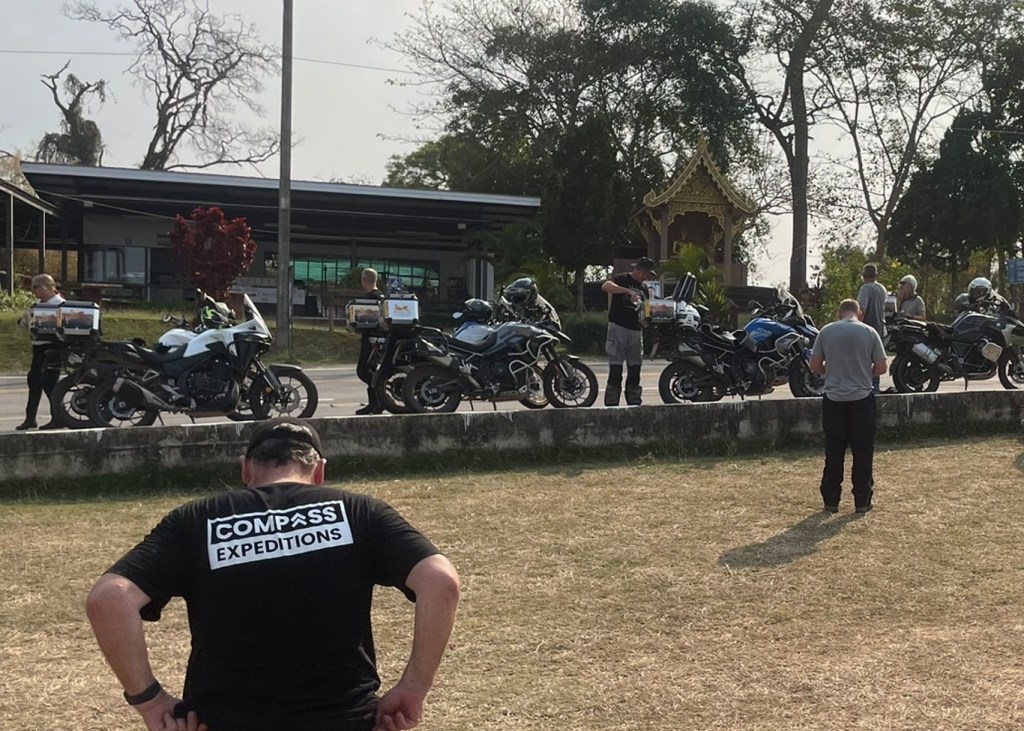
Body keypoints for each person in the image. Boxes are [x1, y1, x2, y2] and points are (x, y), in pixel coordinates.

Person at [86, 417, 461, 731]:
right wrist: (414, 687)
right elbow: (440, 581)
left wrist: (150, 700)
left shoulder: (196, 520)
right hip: (344, 720)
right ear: (319, 471)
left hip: (223, 721)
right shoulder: (359, 513)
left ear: (246, 469)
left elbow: (110, 598)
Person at [809, 299, 887, 515]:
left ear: (839, 313)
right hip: (861, 398)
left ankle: (831, 500)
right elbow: (881, 367)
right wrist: (863, 371)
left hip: (834, 399)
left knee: (834, 450)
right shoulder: (870, 332)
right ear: (859, 314)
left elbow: (814, 365)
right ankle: (862, 500)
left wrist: (833, 370)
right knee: (863, 451)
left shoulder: (826, 331)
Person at [601, 257, 657, 406]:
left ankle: (633, 397)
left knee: (635, 365)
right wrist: (627, 291)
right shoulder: (622, 279)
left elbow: (646, 308)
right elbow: (606, 286)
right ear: (638, 270)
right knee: (616, 364)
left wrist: (648, 316)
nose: (645, 277)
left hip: (635, 330)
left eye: (648, 275)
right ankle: (612, 398)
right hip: (618, 326)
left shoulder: (644, 288)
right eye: (644, 273)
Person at [15, 273, 65, 430]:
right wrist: (24, 322)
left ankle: (59, 418)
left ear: (44, 287)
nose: (33, 291)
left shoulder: (60, 305)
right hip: (38, 347)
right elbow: (27, 321)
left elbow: (62, 325)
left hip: (53, 347)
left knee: (49, 383)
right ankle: (30, 418)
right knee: (34, 381)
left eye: (35, 287)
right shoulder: (36, 305)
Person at [355, 267, 386, 415]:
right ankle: (374, 403)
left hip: (371, 339)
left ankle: (378, 401)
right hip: (380, 338)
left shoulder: (369, 299)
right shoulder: (382, 296)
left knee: (363, 370)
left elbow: (364, 320)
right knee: (371, 370)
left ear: (364, 280)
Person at [856, 263, 887, 394]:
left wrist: (856, 325)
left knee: (864, 360)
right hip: (881, 329)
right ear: (876, 275)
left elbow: (861, 310)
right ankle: (876, 386)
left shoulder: (865, 289)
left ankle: (866, 386)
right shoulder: (882, 289)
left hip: (867, 329)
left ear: (864, 276)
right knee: (877, 359)